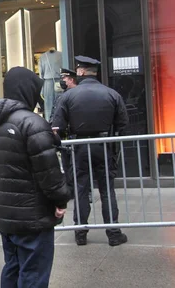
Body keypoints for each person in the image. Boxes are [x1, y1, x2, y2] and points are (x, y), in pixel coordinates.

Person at [0, 67, 71, 288]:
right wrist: (60, 200)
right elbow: (49, 171)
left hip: (7, 214)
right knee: (34, 272)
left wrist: (2, 178)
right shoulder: (33, 123)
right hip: (33, 214)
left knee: (13, 267)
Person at [51, 56, 129, 247]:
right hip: (104, 145)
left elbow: (57, 126)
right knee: (106, 189)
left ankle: (80, 233)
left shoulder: (68, 96)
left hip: (80, 147)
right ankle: (113, 232)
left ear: (81, 72)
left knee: (80, 189)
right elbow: (123, 123)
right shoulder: (112, 94)